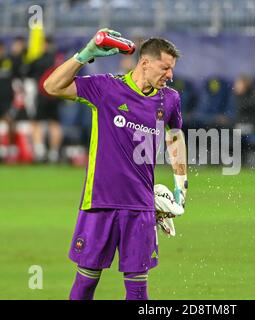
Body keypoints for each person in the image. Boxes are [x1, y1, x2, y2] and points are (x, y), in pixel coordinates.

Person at [43, 28, 188, 300]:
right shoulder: (106, 88)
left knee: (137, 290)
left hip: (141, 208)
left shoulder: (170, 99)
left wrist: (182, 188)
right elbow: (52, 86)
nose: (170, 75)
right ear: (145, 63)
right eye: (165, 68)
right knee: (85, 284)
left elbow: (175, 138)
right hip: (100, 203)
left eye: (172, 69)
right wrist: (84, 55)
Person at [28, 37, 63, 163]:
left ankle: (40, 152)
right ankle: (54, 154)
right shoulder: (58, 60)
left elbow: (28, 73)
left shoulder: (39, 59)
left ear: (44, 45)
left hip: (42, 95)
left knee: (36, 123)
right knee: (55, 124)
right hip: (56, 95)